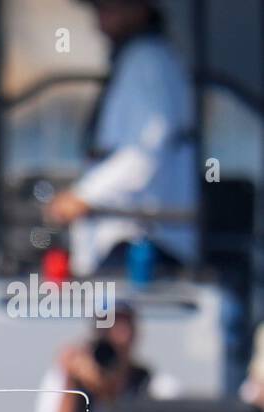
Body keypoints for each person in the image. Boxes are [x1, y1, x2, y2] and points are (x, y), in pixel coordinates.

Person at [45, 0, 197, 276]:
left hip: (142, 245)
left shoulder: (148, 62)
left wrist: (83, 196)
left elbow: (146, 153)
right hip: (124, 242)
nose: (100, 19)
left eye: (108, 7)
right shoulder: (140, 59)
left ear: (139, 10)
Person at [32, 301, 179, 412]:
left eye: (125, 326)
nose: (119, 336)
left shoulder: (156, 387)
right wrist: (70, 383)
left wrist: (108, 392)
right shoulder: (65, 382)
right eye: (109, 327)